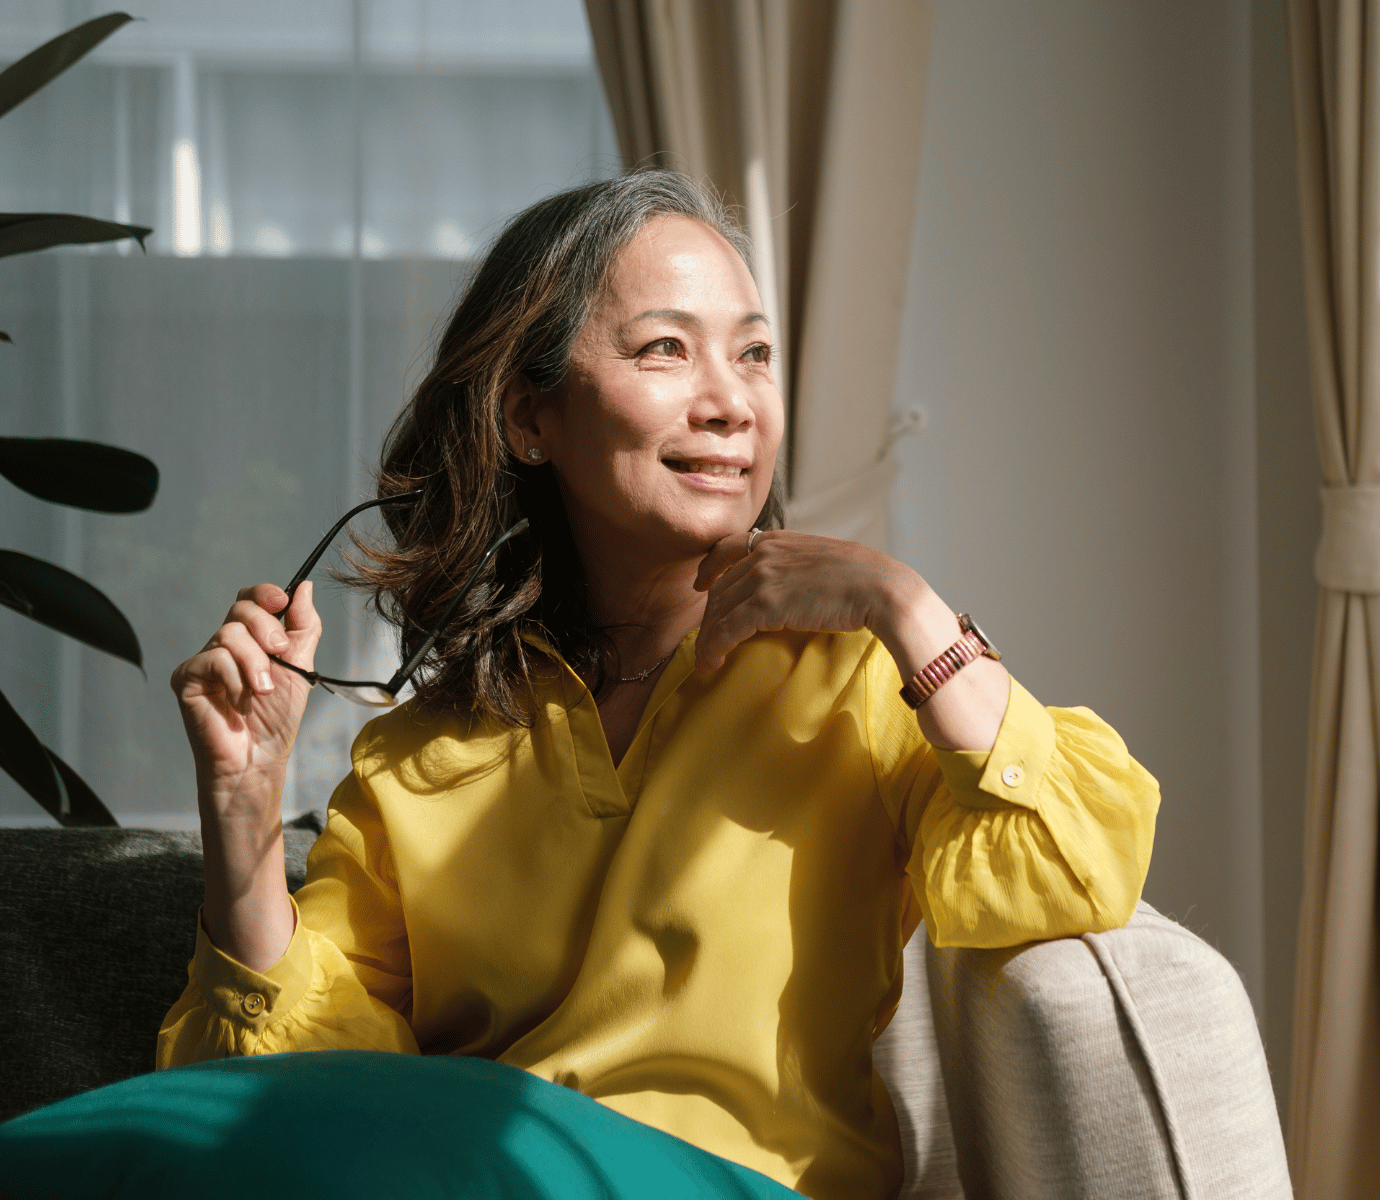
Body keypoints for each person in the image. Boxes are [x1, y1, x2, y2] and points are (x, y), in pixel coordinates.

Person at [157, 170, 1158, 1199]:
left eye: (754, 354)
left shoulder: (859, 680)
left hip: (725, 1184)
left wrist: (908, 609)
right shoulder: (421, 753)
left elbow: (1073, 870)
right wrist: (242, 817)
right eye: (666, 349)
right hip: (477, 1172)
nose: (729, 403)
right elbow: (298, 1096)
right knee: (128, 1146)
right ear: (527, 418)